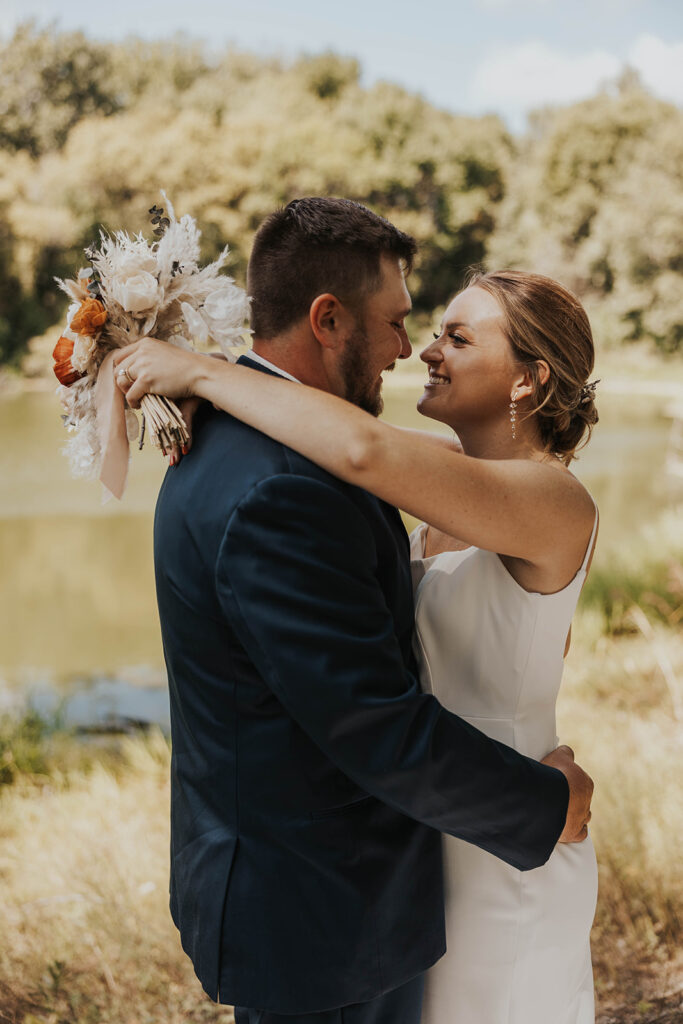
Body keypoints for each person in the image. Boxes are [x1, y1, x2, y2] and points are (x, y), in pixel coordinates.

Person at [114, 198, 594, 1024]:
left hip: (494, 833)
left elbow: (361, 448)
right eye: (414, 325)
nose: (420, 352)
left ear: (527, 379)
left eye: (455, 337)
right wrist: (225, 392)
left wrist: (204, 372)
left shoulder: (546, 500)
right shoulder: (429, 476)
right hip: (430, 839)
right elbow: (349, 443)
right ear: (329, 318)